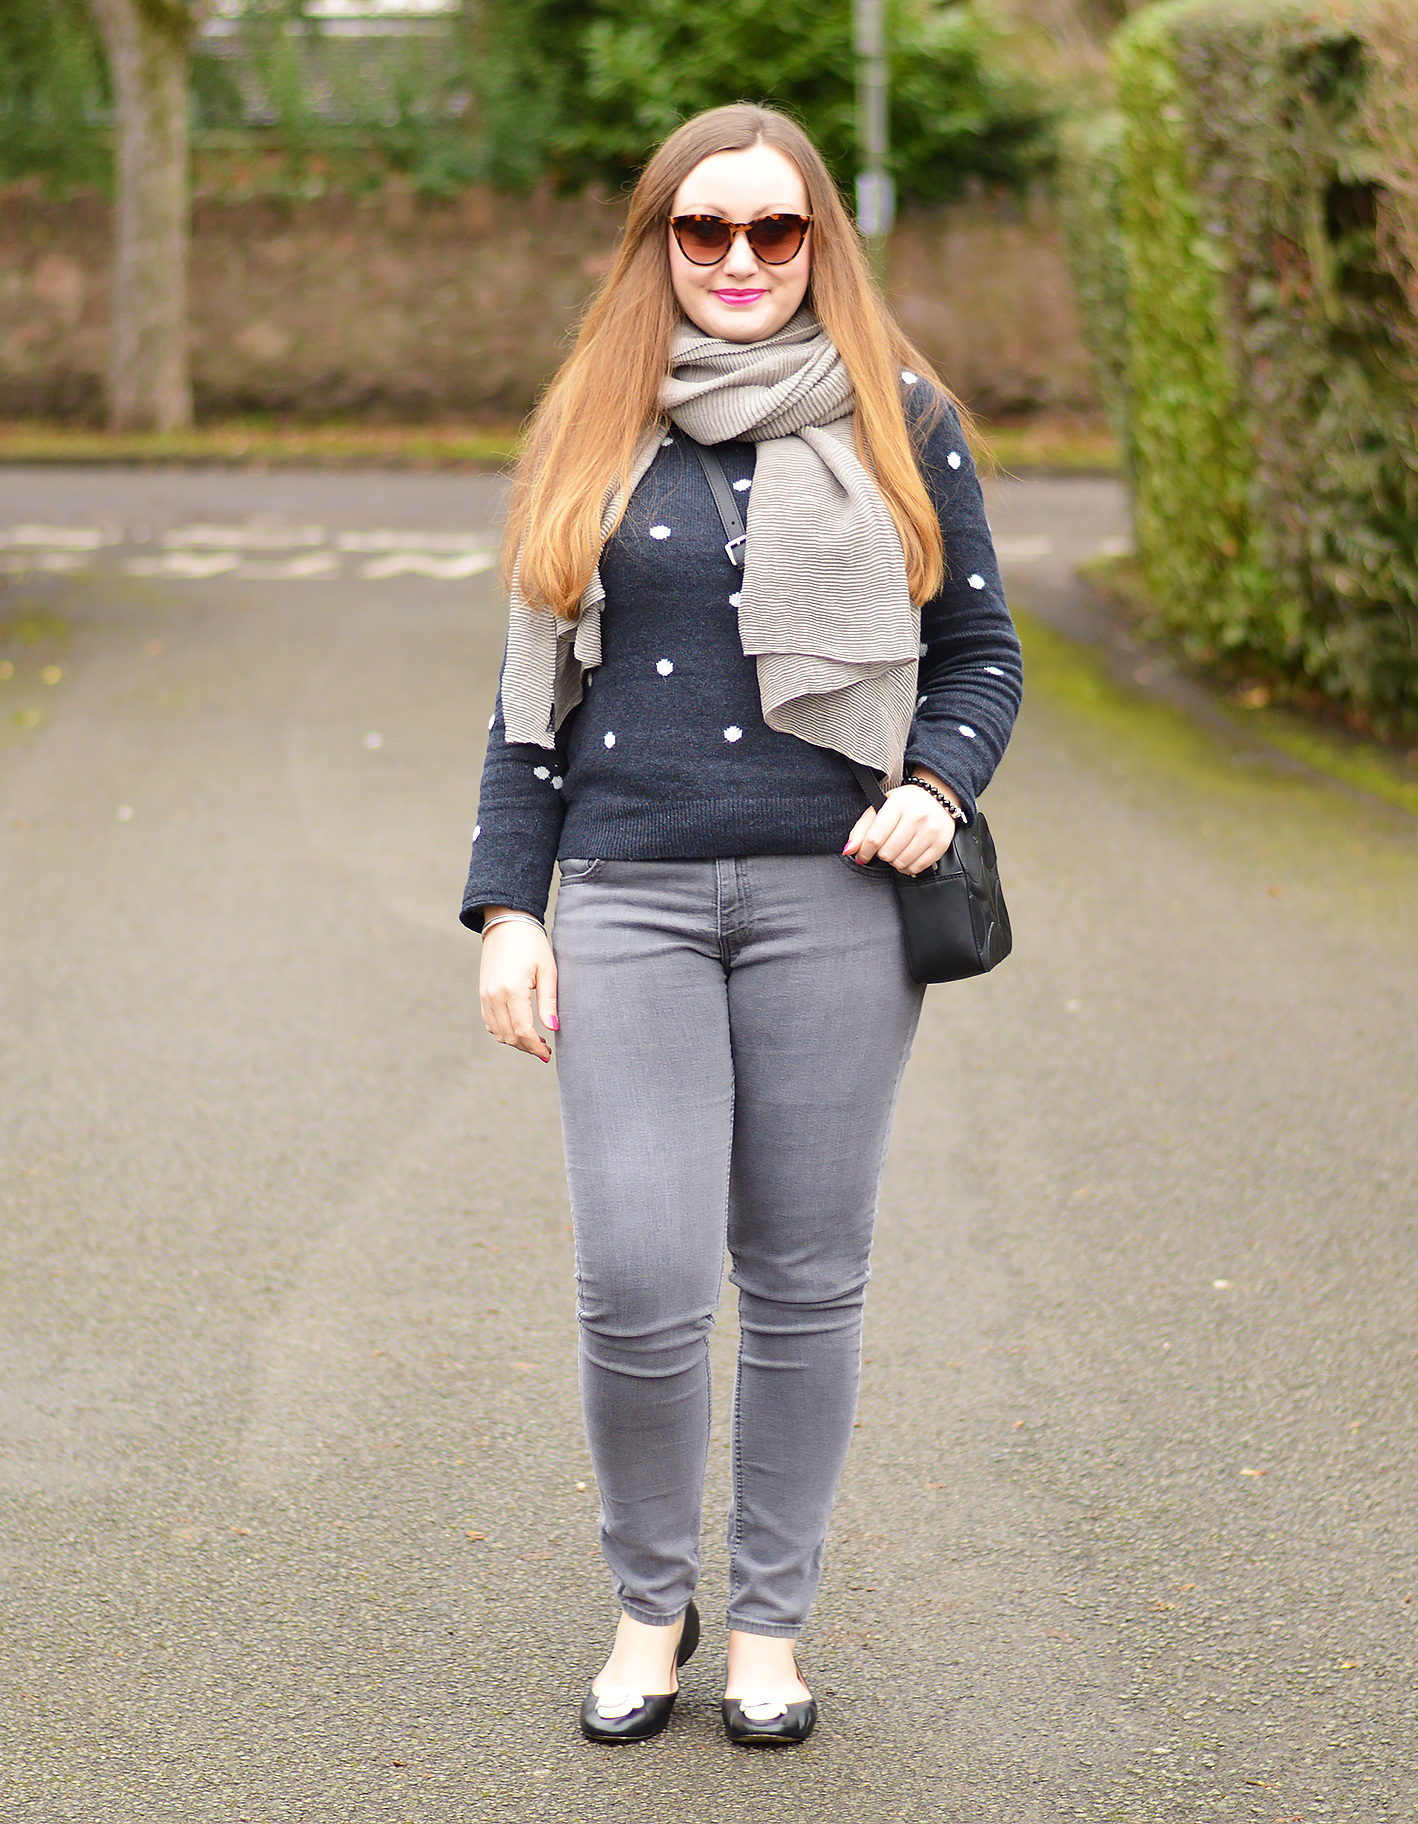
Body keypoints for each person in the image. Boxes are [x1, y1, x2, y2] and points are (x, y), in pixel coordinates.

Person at [462, 102, 1021, 1748]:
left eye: (776, 233)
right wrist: (511, 905)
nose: (739, 263)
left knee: (800, 1277)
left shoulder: (903, 420)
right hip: (628, 892)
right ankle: (653, 1605)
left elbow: (980, 652)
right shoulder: (591, 423)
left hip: (835, 896)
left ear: (818, 246)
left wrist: (940, 780)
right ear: (660, 244)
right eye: (704, 232)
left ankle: (769, 1627)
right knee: (638, 1279)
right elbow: (525, 709)